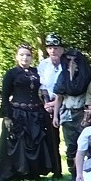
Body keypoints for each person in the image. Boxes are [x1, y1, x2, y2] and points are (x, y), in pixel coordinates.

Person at [0, 43, 58, 181]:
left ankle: (34, 172)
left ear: (32, 57)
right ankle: (20, 172)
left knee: (37, 141)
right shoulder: (11, 73)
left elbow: (44, 89)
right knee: (19, 143)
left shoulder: (36, 72)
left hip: (36, 112)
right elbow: (5, 96)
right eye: (22, 55)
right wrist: (7, 116)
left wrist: (47, 103)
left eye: (28, 55)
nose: (25, 58)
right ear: (16, 57)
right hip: (18, 113)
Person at [52, 48, 91, 181]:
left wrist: (89, 115)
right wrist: (55, 116)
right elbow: (58, 98)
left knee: (86, 144)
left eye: (75, 60)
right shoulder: (62, 76)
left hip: (83, 113)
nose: (72, 63)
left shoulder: (86, 76)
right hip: (68, 114)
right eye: (68, 60)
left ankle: (87, 172)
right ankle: (74, 173)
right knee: (71, 145)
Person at [38, 33, 64, 171]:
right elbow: (43, 87)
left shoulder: (68, 64)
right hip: (49, 105)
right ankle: (56, 169)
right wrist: (47, 104)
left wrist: (55, 104)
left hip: (65, 104)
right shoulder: (43, 65)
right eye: (50, 47)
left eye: (56, 47)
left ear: (61, 49)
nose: (53, 50)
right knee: (52, 139)